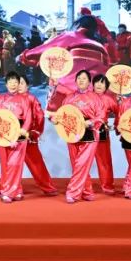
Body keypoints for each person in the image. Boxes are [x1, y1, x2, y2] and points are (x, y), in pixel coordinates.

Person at [18, 15, 110, 113]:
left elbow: (44, 50)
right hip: (95, 94)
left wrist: (23, 56)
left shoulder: (70, 36)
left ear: (78, 24)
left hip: (67, 91)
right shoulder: (101, 46)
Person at [48, 69, 105, 204]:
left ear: (89, 82)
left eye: (84, 78)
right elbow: (62, 114)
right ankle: (87, 191)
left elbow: (101, 116)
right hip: (72, 132)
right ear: (75, 81)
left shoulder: (95, 98)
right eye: (79, 78)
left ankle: (73, 193)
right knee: (76, 164)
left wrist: (90, 122)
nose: (81, 80)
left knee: (81, 163)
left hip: (89, 132)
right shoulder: (69, 97)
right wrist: (55, 119)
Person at [0, 71, 33, 204]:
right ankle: (16, 190)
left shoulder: (25, 99)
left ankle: (8, 192)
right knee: (5, 164)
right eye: (10, 82)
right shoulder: (0, 99)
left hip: (18, 133)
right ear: (6, 84)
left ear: (19, 84)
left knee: (15, 164)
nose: (13, 84)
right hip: (2, 133)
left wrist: (24, 130)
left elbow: (28, 117)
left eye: (15, 82)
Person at [18, 75, 58, 196]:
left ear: (28, 86)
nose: (19, 85)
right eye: (17, 83)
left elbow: (39, 117)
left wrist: (35, 132)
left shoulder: (31, 99)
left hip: (28, 136)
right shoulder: (10, 99)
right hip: (12, 137)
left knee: (36, 163)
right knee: (12, 165)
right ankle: (13, 189)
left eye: (22, 83)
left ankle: (48, 187)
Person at [91, 74, 119, 195]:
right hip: (85, 131)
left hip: (102, 131)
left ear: (106, 86)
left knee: (104, 160)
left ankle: (107, 185)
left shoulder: (109, 99)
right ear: (92, 84)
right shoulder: (86, 97)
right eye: (97, 82)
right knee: (82, 161)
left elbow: (120, 112)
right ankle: (84, 186)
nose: (99, 85)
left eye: (102, 83)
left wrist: (117, 126)